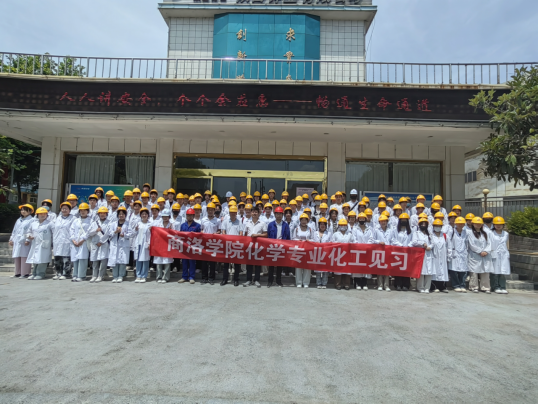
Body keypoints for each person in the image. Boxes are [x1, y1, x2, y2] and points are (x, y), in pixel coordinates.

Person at [70, 203, 98, 282]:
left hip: (85, 242)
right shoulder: (76, 220)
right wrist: (73, 240)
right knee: (75, 259)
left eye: (84, 210)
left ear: (88, 211)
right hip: (75, 242)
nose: (82, 212)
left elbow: (91, 231)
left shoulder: (91, 221)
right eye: (81, 210)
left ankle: (81, 276)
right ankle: (75, 275)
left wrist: (83, 239)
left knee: (82, 259)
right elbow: (71, 230)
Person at [243, 206, 268, 288]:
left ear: (259, 213)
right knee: (249, 263)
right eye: (253, 212)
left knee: (257, 264)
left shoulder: (262, 223)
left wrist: (257, 235)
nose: (254, 213)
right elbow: (245, 235)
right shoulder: (247, 223)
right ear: (251, 213)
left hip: (258, 246)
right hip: (249, 246)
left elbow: (265, 235)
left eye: (256, 212)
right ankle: (249, 280)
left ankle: (257, 280)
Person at [26, 207, 53, 280]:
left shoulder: (50, 224)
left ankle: (41, 274)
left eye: (44, 213)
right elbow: (28, 232)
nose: (43, 215)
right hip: (35, 244)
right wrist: (29, 236)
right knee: (35, 259)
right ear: (37, 215)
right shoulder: (33, 224)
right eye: (41, 214)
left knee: (42, 259)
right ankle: (34, 273)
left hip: (45, 244)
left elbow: (54, 233)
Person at [468, 217, 493, 294]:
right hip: (475, 255)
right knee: (474, 272)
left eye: (480, 223)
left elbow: (489, 243)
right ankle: (474, 286)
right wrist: (480, 251)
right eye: (476, 223)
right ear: (473, 224)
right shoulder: (470, 233)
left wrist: (486, 251)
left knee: (485, 271)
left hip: (485, 255)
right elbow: (471, 244)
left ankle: (485, 287)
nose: (478, 225)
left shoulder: (485, 233)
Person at [9, 204, 35, 279]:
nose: (23, 211)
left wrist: (27, 240)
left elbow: (31, 231)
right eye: (22, 210)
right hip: (17, 240)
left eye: (25, 210)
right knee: (17, 256)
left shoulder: (32, 220)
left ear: (30, 211)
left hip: (25, 241)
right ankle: (17, 273)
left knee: (24, 256)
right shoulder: (18, 220)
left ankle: (25, 273)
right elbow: (14, 230)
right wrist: (11, 239)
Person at [267, 207, 290, 288]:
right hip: (272, 247)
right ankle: (270, 281)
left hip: (281, 247)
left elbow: (288, 237)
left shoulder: (285, 225)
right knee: (271, 265)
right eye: (277, 214)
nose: (279, 215)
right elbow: (268, 236)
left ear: (282, 215)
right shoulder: (270, 225)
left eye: (280, 214)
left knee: (280, 265)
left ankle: (278, 281)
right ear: (275, 215)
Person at [51, 202, 75, 280]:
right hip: (57, 240)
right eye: (63, 208)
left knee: (66, 258)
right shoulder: (58, 218)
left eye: (66, 209)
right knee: (57, 258)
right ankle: (58, 273)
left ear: (70, 210)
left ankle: (66, 274)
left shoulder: (73, 218)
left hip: (67, 240)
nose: (64, 210)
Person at [370, 215, 394, 291]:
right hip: (379, 251)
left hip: (388, 251)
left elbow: (393, 240)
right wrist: (379, 242)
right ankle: (380, 285)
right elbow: (372, 240)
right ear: (379, 222)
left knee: (387, 268)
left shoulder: (390, 230)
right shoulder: (376, 230)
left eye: (385, 221)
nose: (383, 222)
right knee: (380, 268)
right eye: (382, 221)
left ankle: (386, 285)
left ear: (387, 222)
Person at [108, 207, 132, 283]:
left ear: (125, 215)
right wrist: (115, 232)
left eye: (123, 214)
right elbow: (109, 234)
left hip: (123, 244)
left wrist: (124, 235)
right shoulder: (113, 224)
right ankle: (115, 276)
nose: (121, 215)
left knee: (122, 261)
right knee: (114, 260)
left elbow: (131, 234)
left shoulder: (128, 224)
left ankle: (121, 276)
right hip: (115, 244)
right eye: (120, 214)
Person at [221, 205, 243, 287]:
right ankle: (225, 279)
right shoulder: (225, 222)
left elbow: (241, 233)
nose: (233, 214)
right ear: (229, 213)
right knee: (226, 264)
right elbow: (223, 232)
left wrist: (236, 241)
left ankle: (236, 279)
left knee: (236, 264)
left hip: (236, 245)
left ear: (236, 213)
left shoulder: (239, 222)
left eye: (234, 212)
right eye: (231, 212)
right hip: (227, 245)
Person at [90, 206, 113, 283]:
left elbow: (108, 234)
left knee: (103, 261)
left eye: (104, 213)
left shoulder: (110, 223)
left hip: (104, 244)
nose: (102, 215)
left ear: (106, 214)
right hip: (95, 243)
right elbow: (89, 233)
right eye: (101, 213)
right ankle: (94, 276)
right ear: (98, 214)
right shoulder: (94, 223)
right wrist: (96, 230)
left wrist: (101, 241)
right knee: (95, 261)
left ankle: (101, 276)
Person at [412, 217, 435, 293]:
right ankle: (420, 287)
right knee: (421, 271)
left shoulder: (429, 234)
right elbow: (414, 242)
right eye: (422, 224)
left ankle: (427, 287)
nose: (423, 225)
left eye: (425, 224)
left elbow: (433, 243)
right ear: (419, 225)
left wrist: (430, 247)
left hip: (428, 254)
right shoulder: (416, 233)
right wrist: (422, 244)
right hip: (420, 254)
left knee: (429, 271)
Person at [179, 208, 202, 284]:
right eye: (188, 215)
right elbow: (180, 236)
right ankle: (184, 277)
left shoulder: (197, 226)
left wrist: (194, 234)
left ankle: (191, 277)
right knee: (184, 262)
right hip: (184, 247)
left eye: (191, 215)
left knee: (192, 262)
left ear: (193, 216)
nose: (189, 217)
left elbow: (200, 237)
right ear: (186, 216)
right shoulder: (183, 225)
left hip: (193, 247)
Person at [200, 202, 221, 285]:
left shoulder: (217, 220)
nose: (210, 211)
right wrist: (202, 232)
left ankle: (211, 278)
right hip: (205, 243)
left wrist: (216, 233)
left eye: (212, 210)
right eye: (209, 210)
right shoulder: (203, 220)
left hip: (213, 243)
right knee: (204, 262)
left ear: (214, 211)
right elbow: (201, 229)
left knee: (212, 262)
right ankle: (204, 278)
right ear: (207, 210)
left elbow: (219, 231)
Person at [392, 213, 414, 291]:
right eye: (402, 220)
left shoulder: (411, 231)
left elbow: (413, 240)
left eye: (405, 220)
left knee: (406, 269)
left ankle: (406, 285)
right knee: (398, 268)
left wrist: (408, 246)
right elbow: (393, 240)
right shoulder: (395, 230)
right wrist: (401, 245)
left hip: (408, 252)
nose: (404, 221)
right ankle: (398, 284)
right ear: (399, 221)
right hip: (398, 252)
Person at [351, 213, 373, 291]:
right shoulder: (355, 229)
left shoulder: (369, 229)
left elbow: (371, 239)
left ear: (365, 220)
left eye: (363, 219)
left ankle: (364, 283)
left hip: (366, 251)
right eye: (360, 219)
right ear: (358, 220)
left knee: (365, 267)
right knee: (357, 267)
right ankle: (357, 283)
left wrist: (366, 247)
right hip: (357, 251)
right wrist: (360, 247)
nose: (361, 220)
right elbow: (354, 239)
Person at [331, 218, 354, 290]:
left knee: (347, 269)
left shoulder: (350, 234)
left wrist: (350, 244)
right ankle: (338, 284)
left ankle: (346, 284)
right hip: (338, 254)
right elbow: (331, 243)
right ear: (339, 226)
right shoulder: (335, 234)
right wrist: (337, 243)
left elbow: (354, 242)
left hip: (347, 254)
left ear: (347, 226)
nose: (343, 226)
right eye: (341, 225)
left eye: (344, 225)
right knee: (338, 269)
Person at [292, 213, 314, 288]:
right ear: (300, 221)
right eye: (302, 220)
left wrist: (309, 241)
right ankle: (298, 282)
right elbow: (293, 238)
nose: (304, 222)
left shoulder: (310, 229)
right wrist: (299, 241)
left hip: (307, 250)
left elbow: (313, 239)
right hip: (299, 250)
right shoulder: (296, 229)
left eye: (305, 220)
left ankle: (306, 282)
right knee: (298, 266)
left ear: (307, 221)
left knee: (307, 266)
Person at [490, 216, 510, 294]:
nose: (498, 226)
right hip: (494, 254)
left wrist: (507, 253)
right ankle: (495, 287)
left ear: (503, 225)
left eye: (500, 224)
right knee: (495, 272)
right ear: (494, 225)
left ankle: (502, 287)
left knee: (502, 272)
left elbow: (507, 244)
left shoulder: (506, 234)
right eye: (496, 224)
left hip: (504, 254)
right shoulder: (491, 233)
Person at [153, 209, 174, 284]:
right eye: (163, 216)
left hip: (168, 245)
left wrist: (171, 231)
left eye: (166, 216)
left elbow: (175, 235)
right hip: (159, 245)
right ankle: (159, 277)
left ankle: (166, 277)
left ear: (169, 217)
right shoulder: (158, 224)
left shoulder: (172, 225)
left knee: (167, 262)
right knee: (159, 261)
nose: (165, 218)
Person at [430, 219, 450, 293]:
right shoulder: (431, 236)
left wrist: (449, 256)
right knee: (434, 271)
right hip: (434, 256)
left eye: (439, 226)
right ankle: (434, 287)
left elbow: (449, 246)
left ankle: (442, 287)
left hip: (443, 256)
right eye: (436, 226)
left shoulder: (445, 236)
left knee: (443, 270)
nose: (437, 227)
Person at [449, 217, 469, 293]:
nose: (460, 225)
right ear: (455, 224)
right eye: (458, 223)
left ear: (464, 224)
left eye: (462, 223)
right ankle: (456, 285)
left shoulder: (466, 232)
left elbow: (467, 243)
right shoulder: (452, 232)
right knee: (454, 271)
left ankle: (462, 285)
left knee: (463, 271)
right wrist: (450, 252)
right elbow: (449, 242)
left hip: (463, 253)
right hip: (454, 253)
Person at [133, 208, 152, 283]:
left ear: (148, 215)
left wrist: (149, 243)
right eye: (143, 214)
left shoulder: (150, 224)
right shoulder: (138, 223)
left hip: (146, 244)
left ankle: (144, 276)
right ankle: (138, 275)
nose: (144, 215)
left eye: (145, 214)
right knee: (138, 260)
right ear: (140, 215)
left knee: (145, 260)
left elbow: (151, 235)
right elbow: (134, 234)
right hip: (138, 244)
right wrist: (135, 229)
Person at [313, 217, 331, 289]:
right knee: (318, 269)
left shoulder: (329, 233)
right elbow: (312, 241)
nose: (322, 226)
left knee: (325, 269)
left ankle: (324, 283)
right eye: (321, 224)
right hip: (317, 253)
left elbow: (331, 242)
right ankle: (318, 283)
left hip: (326, 253)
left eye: (324, 224)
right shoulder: (315, 233)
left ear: (326, 225)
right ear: (319, 225)